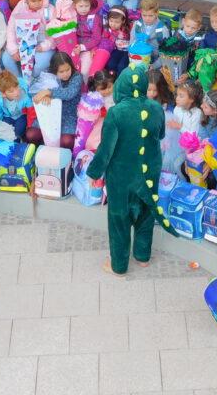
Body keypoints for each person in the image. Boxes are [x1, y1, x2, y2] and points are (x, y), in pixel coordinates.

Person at [86, 65, 169, 275]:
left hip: (121, 176)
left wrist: (94, 173)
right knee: (146, 213)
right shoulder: (156, 108)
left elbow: (106, 148)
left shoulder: (116, 113)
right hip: (149, 170)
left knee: (119, 219)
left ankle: (119, 265)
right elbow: (160, 135)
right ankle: (142, 256)